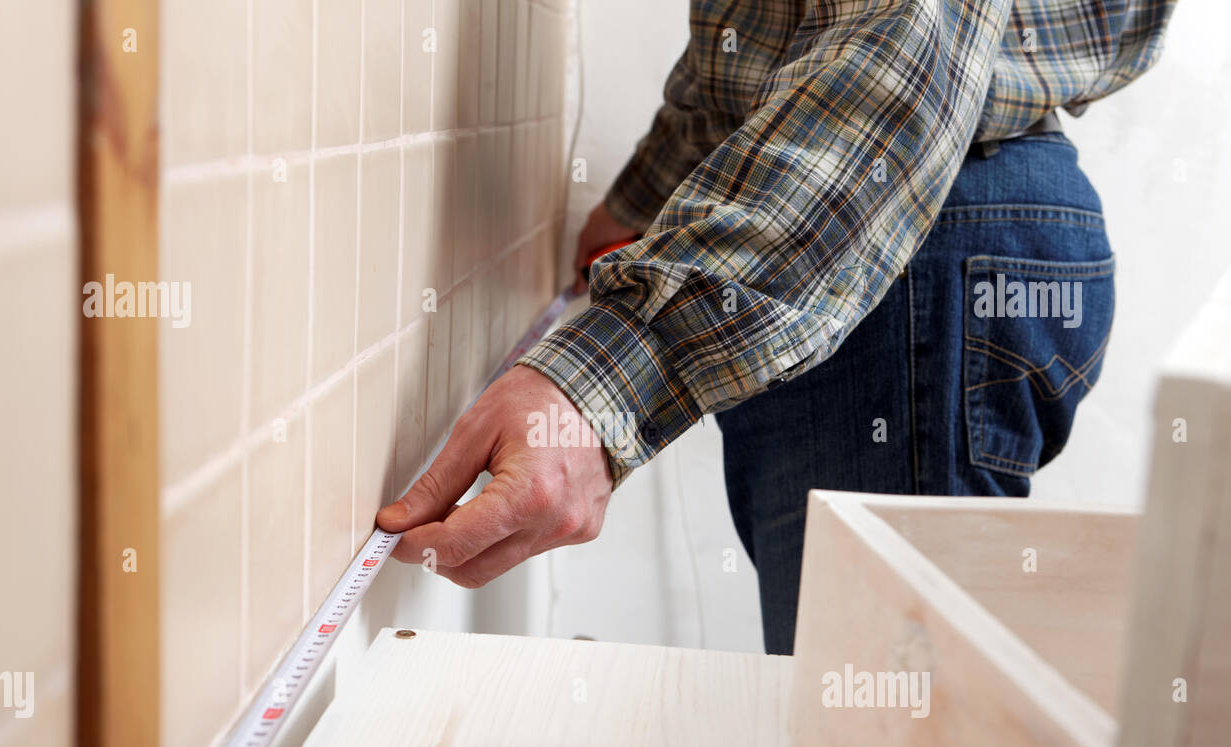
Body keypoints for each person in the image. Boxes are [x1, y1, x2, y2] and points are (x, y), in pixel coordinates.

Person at [377, 0, 1177, 654]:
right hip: (907, 248)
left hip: (901, 251)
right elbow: (770, 36)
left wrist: (604, 386)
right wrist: (646, 198)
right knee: (864, 721)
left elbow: (900, 56)